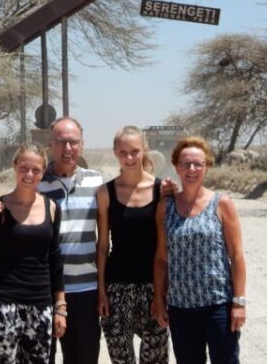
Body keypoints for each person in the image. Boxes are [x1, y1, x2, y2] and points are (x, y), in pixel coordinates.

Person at [0, 117, 103, 364]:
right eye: (61, 142)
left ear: (82, 145)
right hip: (40, 292)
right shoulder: (36, 184)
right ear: (51, 145)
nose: (67, 148)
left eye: (73, 142)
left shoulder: (97, 183)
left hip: (83, 290)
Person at [153, 136, 247, 364]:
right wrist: (158, 298)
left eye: (198, 164)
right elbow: (161, 258)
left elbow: (236, 255)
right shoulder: (166, 206)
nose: (192, 169)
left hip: (218, 306)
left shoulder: (222, 203)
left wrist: (239, 302)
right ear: (176, 167)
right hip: (181, 307)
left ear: (207, 167)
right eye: (186, 164)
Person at [0, 142, 66, 363]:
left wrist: (60, 307)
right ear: (15, 166)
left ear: (43, 172)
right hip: (3, 306)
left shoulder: (52, 207)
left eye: (36, 170)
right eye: (24, 167)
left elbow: (55, 260)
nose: (29, 174)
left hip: (41, 307)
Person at [96, 126, 169, 364]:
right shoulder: (106, 193)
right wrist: (101, 291)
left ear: (144, 150)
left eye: (134, 151)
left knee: (156, 360)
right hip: (117, 289)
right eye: (123, 152)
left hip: (153, 289)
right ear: (115, 152)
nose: (129, 158)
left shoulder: (161, 190)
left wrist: (161, 294)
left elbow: (163, 248)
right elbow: (103, 246)